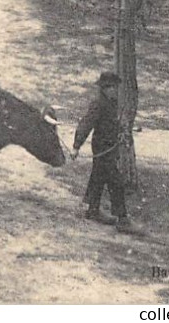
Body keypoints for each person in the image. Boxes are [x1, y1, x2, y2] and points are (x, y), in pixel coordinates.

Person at [72, 71, 135, 233]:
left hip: (110, 148)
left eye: (116, 87)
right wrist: (76, 146)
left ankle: (93, 210)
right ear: (105, 89)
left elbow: (112, 124)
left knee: (98, 177)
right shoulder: (98, 104)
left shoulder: (111, 102)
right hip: (102, 149)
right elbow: (85, 124)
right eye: (113, 88)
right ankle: (122, 219)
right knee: (116, 181)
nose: (116, 91)